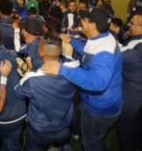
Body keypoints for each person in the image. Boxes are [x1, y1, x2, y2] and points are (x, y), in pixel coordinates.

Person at [43, 8, 122, 151]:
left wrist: (62, 69)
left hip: (99, 109)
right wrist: (72, 41)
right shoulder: (102, 37)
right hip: (98, 103)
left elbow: (98, 83)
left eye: (85, 20)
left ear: (93, 25)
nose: (82, 21)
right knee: (94, 138)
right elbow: (88, 50)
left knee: (91, 142)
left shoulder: (105, 54)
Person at [14, 36, 77, 151]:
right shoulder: (74, 67)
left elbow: (18, 92)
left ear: (42, 52)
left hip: (41, 131)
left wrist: (28, 73)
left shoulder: (33, 80)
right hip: (64, 127)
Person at [117, 12, 142, 151]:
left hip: (132, 93)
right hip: (138, 92)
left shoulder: (139, 47)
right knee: (137, 120)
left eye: (132, 23)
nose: (128, 25)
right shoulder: (137, 40)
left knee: (125, 124)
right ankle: (138, 144)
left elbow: (118, 57)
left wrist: (110, 38)